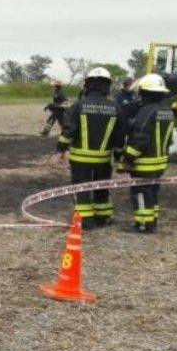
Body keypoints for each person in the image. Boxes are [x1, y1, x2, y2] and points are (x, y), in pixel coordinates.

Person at [55, 67, 124, 229]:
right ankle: (103, 217)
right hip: (104, 159)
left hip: (80, 159)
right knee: (101, 188)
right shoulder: (116, 108)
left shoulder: (77, 106)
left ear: (88, 84)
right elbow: (120, 137)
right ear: (107, 85)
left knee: (82, 188)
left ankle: (85, 220)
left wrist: (61, 149)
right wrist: (119, 157)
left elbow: (68, 131)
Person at [120, 73, 174, 233]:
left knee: (141, 193)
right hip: (160, 162)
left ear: (144, 92)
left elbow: (140, 139)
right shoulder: (167, 111)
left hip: (144, 163)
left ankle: (144, 224)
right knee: (153, 193)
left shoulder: (146, 111)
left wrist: (127, 157)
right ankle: (152, 222)